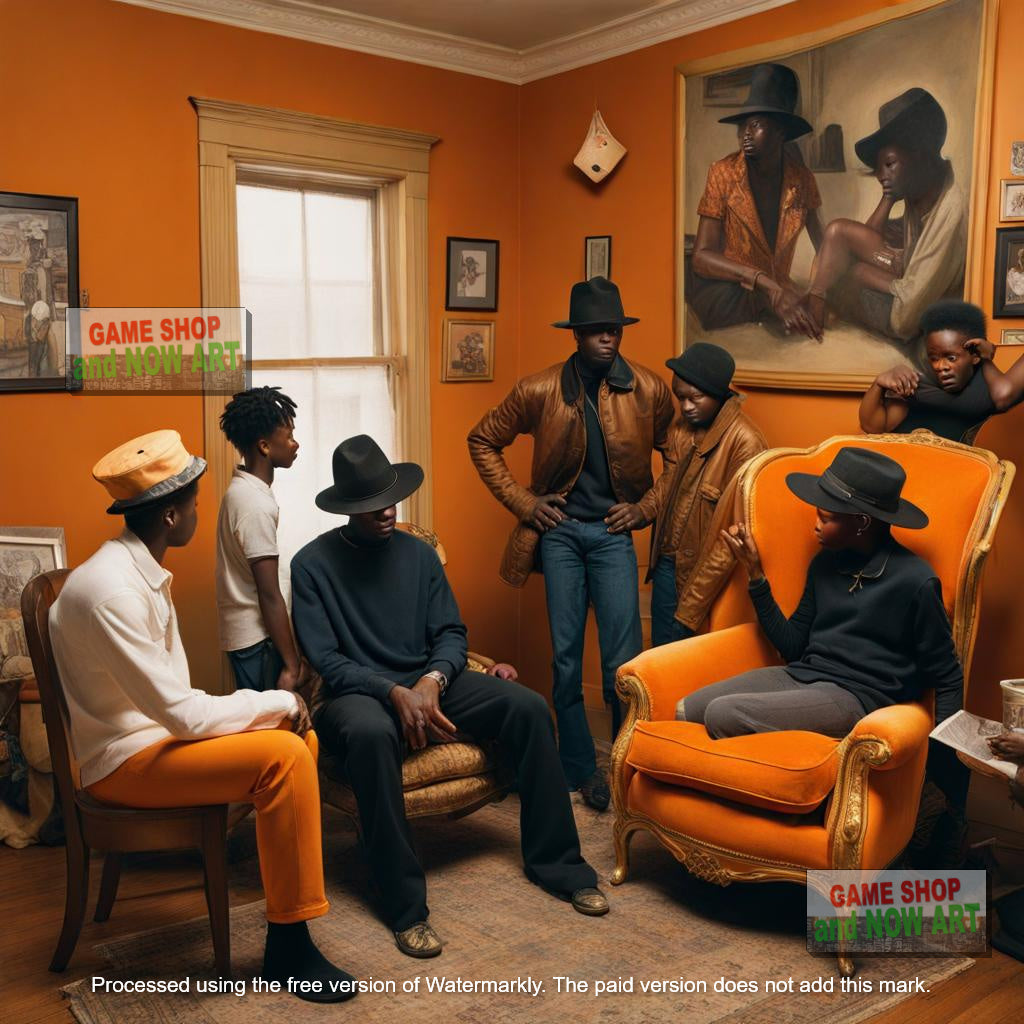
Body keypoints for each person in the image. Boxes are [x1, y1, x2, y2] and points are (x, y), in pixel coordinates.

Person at [48, 430, 356, 1002]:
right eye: (192, 501)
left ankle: (287, 914)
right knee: (287, 751)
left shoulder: (131, 570)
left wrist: (276, 713)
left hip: (150, 740)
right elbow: (184, 715)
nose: (198, 510)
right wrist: (282, 700)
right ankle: (289, 948)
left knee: (295, 744)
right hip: (122, 763)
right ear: (170, 514)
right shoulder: (113, 591)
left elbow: (176, 707)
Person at [291, 435, 606, 960]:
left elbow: (452, 635)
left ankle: (560, 867)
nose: (388, 512)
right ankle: (403, 906)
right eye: (373, 506)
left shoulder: (419, 555)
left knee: (528, 707)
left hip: (431, 681)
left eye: (391, 499)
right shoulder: (312, 566)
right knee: (369, 734)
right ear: (350, 509)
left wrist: (430, 682)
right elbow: (328, 662)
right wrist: (393, 692)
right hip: (357, 691)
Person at [467, 277, 674, 811]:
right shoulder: (538, 390)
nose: (609, 338)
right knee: (564, 660)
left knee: (623, 663)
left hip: (611, 537)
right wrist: (524, 502)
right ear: (577, 335)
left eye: (615, 329)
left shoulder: (648, 389)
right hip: (558, 537)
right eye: (597, 330)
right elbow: (482, 439)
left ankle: (629, 770)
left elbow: (679, 455)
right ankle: (581, 769)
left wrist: (644, 509)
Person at [683, 446, 967, 814]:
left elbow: (947, 676)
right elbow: (792, 645)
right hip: (803, 675)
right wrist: (755, 575)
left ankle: (790, 799)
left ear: (861, 522)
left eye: (826, 517)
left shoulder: (916, 581)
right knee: (688, 708)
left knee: (723, 714)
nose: (815, 525)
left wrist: (937, 769)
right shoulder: (824, 565)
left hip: (857, 697)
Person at [801, 89, 966, 342]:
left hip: (919, 313)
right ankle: (819, 303)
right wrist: (888, 199)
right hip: (905, 276)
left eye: (889, 165)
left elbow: (905, 318)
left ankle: (817, 309)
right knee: (832, 249)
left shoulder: (953, 210)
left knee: (838, 259)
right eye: (878, 169)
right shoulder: (919, 193)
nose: (880, 175)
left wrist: (859, 273)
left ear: (920, 155)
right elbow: (868, 237)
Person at [687, 63, 823, 339]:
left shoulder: (803, 179)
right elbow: (701, 257)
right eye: (742, 126)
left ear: (781, 132)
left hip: (775, 289)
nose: (744, 134)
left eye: (756, 125)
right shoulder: (723, 173)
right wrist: (765, 285)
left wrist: (816, 294)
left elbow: (825, 247)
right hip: (728, 286)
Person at [647, 343, 767, 646]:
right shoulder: (683, 429)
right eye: (680, 397)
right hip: (666, 566)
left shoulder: (746, 442)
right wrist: (640, 510)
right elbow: (668, 482)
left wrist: (694, 600)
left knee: (691, 669)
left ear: (717, 394)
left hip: (703, 579)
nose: (685, 407)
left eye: (695, 398)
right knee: (659, 664)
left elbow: (734, 536)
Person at [216, 386, 311, 693]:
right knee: (269, 733)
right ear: (265, 446)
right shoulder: (253, 503)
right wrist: (292, 663)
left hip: (255, 640)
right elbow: (268, 593)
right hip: (259, 643)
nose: (295, 444)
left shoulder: (248, 492)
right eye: (289, 435)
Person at [860, 300, 1024, 443]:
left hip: (958, 471)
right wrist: (878, 384)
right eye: (934, 358)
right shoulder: (917, 383)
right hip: (909, 466)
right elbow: (873, 427)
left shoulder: (987, 384)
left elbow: (1004, 396)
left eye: (951, 358)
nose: (940, 366)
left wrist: (985, 358)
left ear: (974, 354)